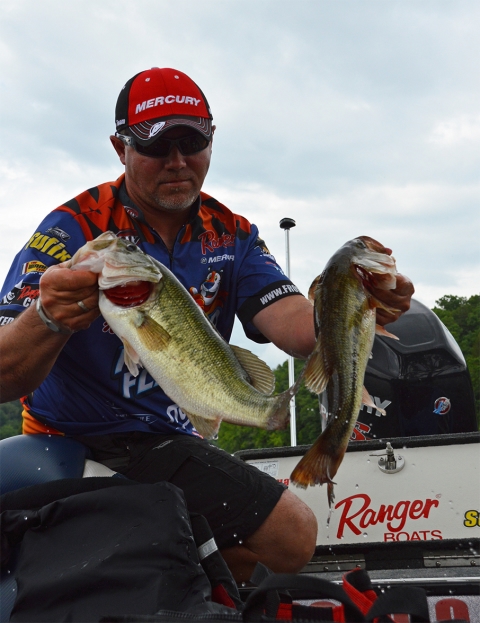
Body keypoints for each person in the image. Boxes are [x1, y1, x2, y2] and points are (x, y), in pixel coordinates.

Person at [0, 67, 414, 582]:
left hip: (171, 439)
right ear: (120, 148)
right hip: (75, 436)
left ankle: (173, 588)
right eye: (156, 145)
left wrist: (354, 304)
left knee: (291, 539)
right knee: (277, 534)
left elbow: (296, 326)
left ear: (212, 139)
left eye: (192, 142)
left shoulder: (233, 234)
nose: (177, 161)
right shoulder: (73, 229)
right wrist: (47, 317)